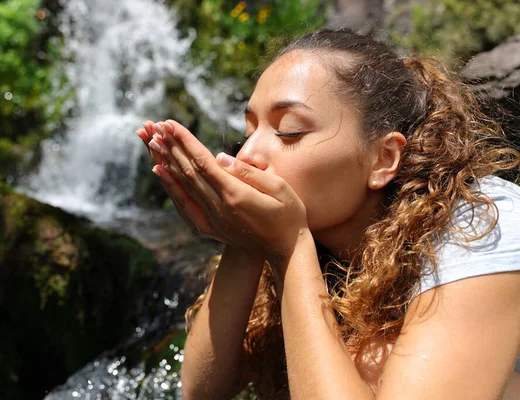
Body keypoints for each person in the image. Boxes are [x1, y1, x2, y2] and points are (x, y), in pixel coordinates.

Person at [136, 29, 520, 399]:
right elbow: (203, 390)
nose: (247, 155)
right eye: (249, 131)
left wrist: (290, 249)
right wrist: (245, 240)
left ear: (383, 158)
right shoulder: (307, 228)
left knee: (375, 359)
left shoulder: (482, 219)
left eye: (288, 131)